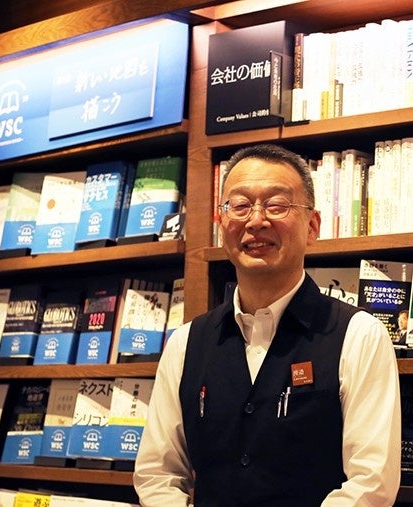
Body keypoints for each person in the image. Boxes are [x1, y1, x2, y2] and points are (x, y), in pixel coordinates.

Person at [133, 144, 401, 506]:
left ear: (312, 226)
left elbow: (372, 484)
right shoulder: (185, 343)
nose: (256, 220)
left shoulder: (359, 335)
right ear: (222, 225)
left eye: (277, 205)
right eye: (240, 206)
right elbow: (157, 474)